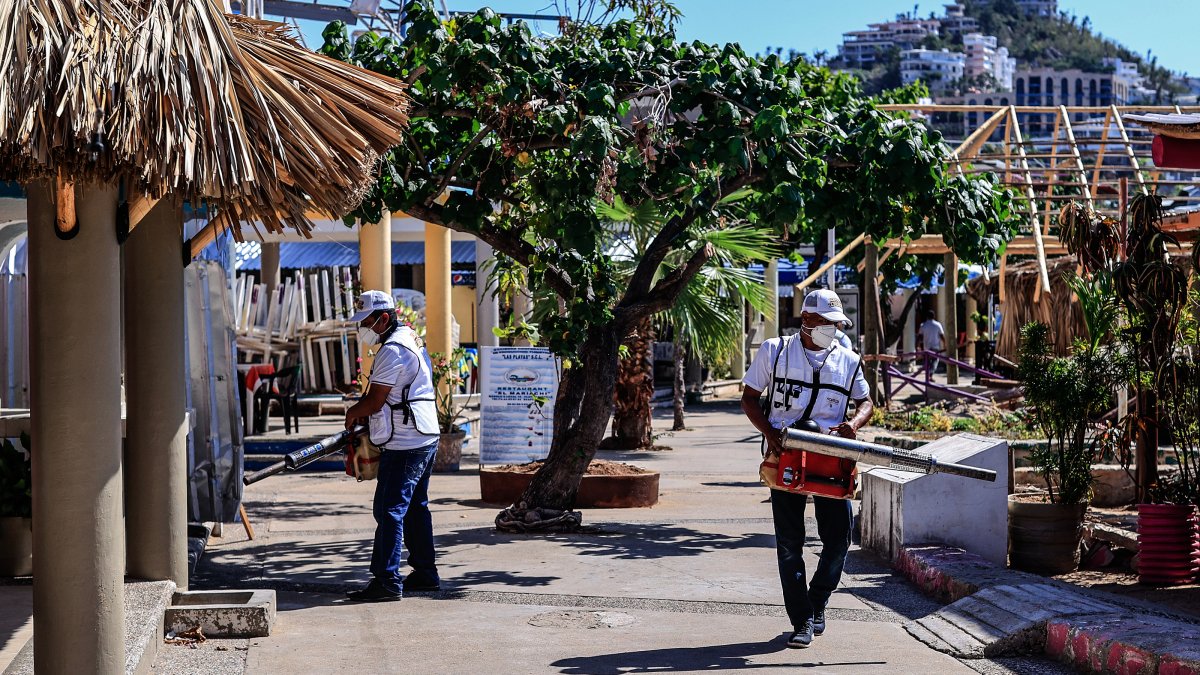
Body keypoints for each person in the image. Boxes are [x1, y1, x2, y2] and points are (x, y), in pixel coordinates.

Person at [740, 289, 874, 649]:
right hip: (785, 457)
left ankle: (817, 601)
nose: (832, 330)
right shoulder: (776, 351)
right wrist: (770, 433)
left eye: (836, 325)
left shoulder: (848, 360)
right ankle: (801, 619)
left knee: (838, 539)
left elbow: (866, 402)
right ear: (807, 322)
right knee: (789, 542)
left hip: (832, 457)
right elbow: (749, 398)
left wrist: (854, 425)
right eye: (826, 324)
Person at [344, 290, 442, 601]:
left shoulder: (393, 350)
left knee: (389, 510)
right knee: (415, 507)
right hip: (423, 435)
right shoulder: (408, 338)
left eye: (368, 321)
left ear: (384, 318)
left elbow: (374, 401)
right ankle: (426, 573)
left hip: (406, 441)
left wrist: (351, 413)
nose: (365, 328)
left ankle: (387, 580)